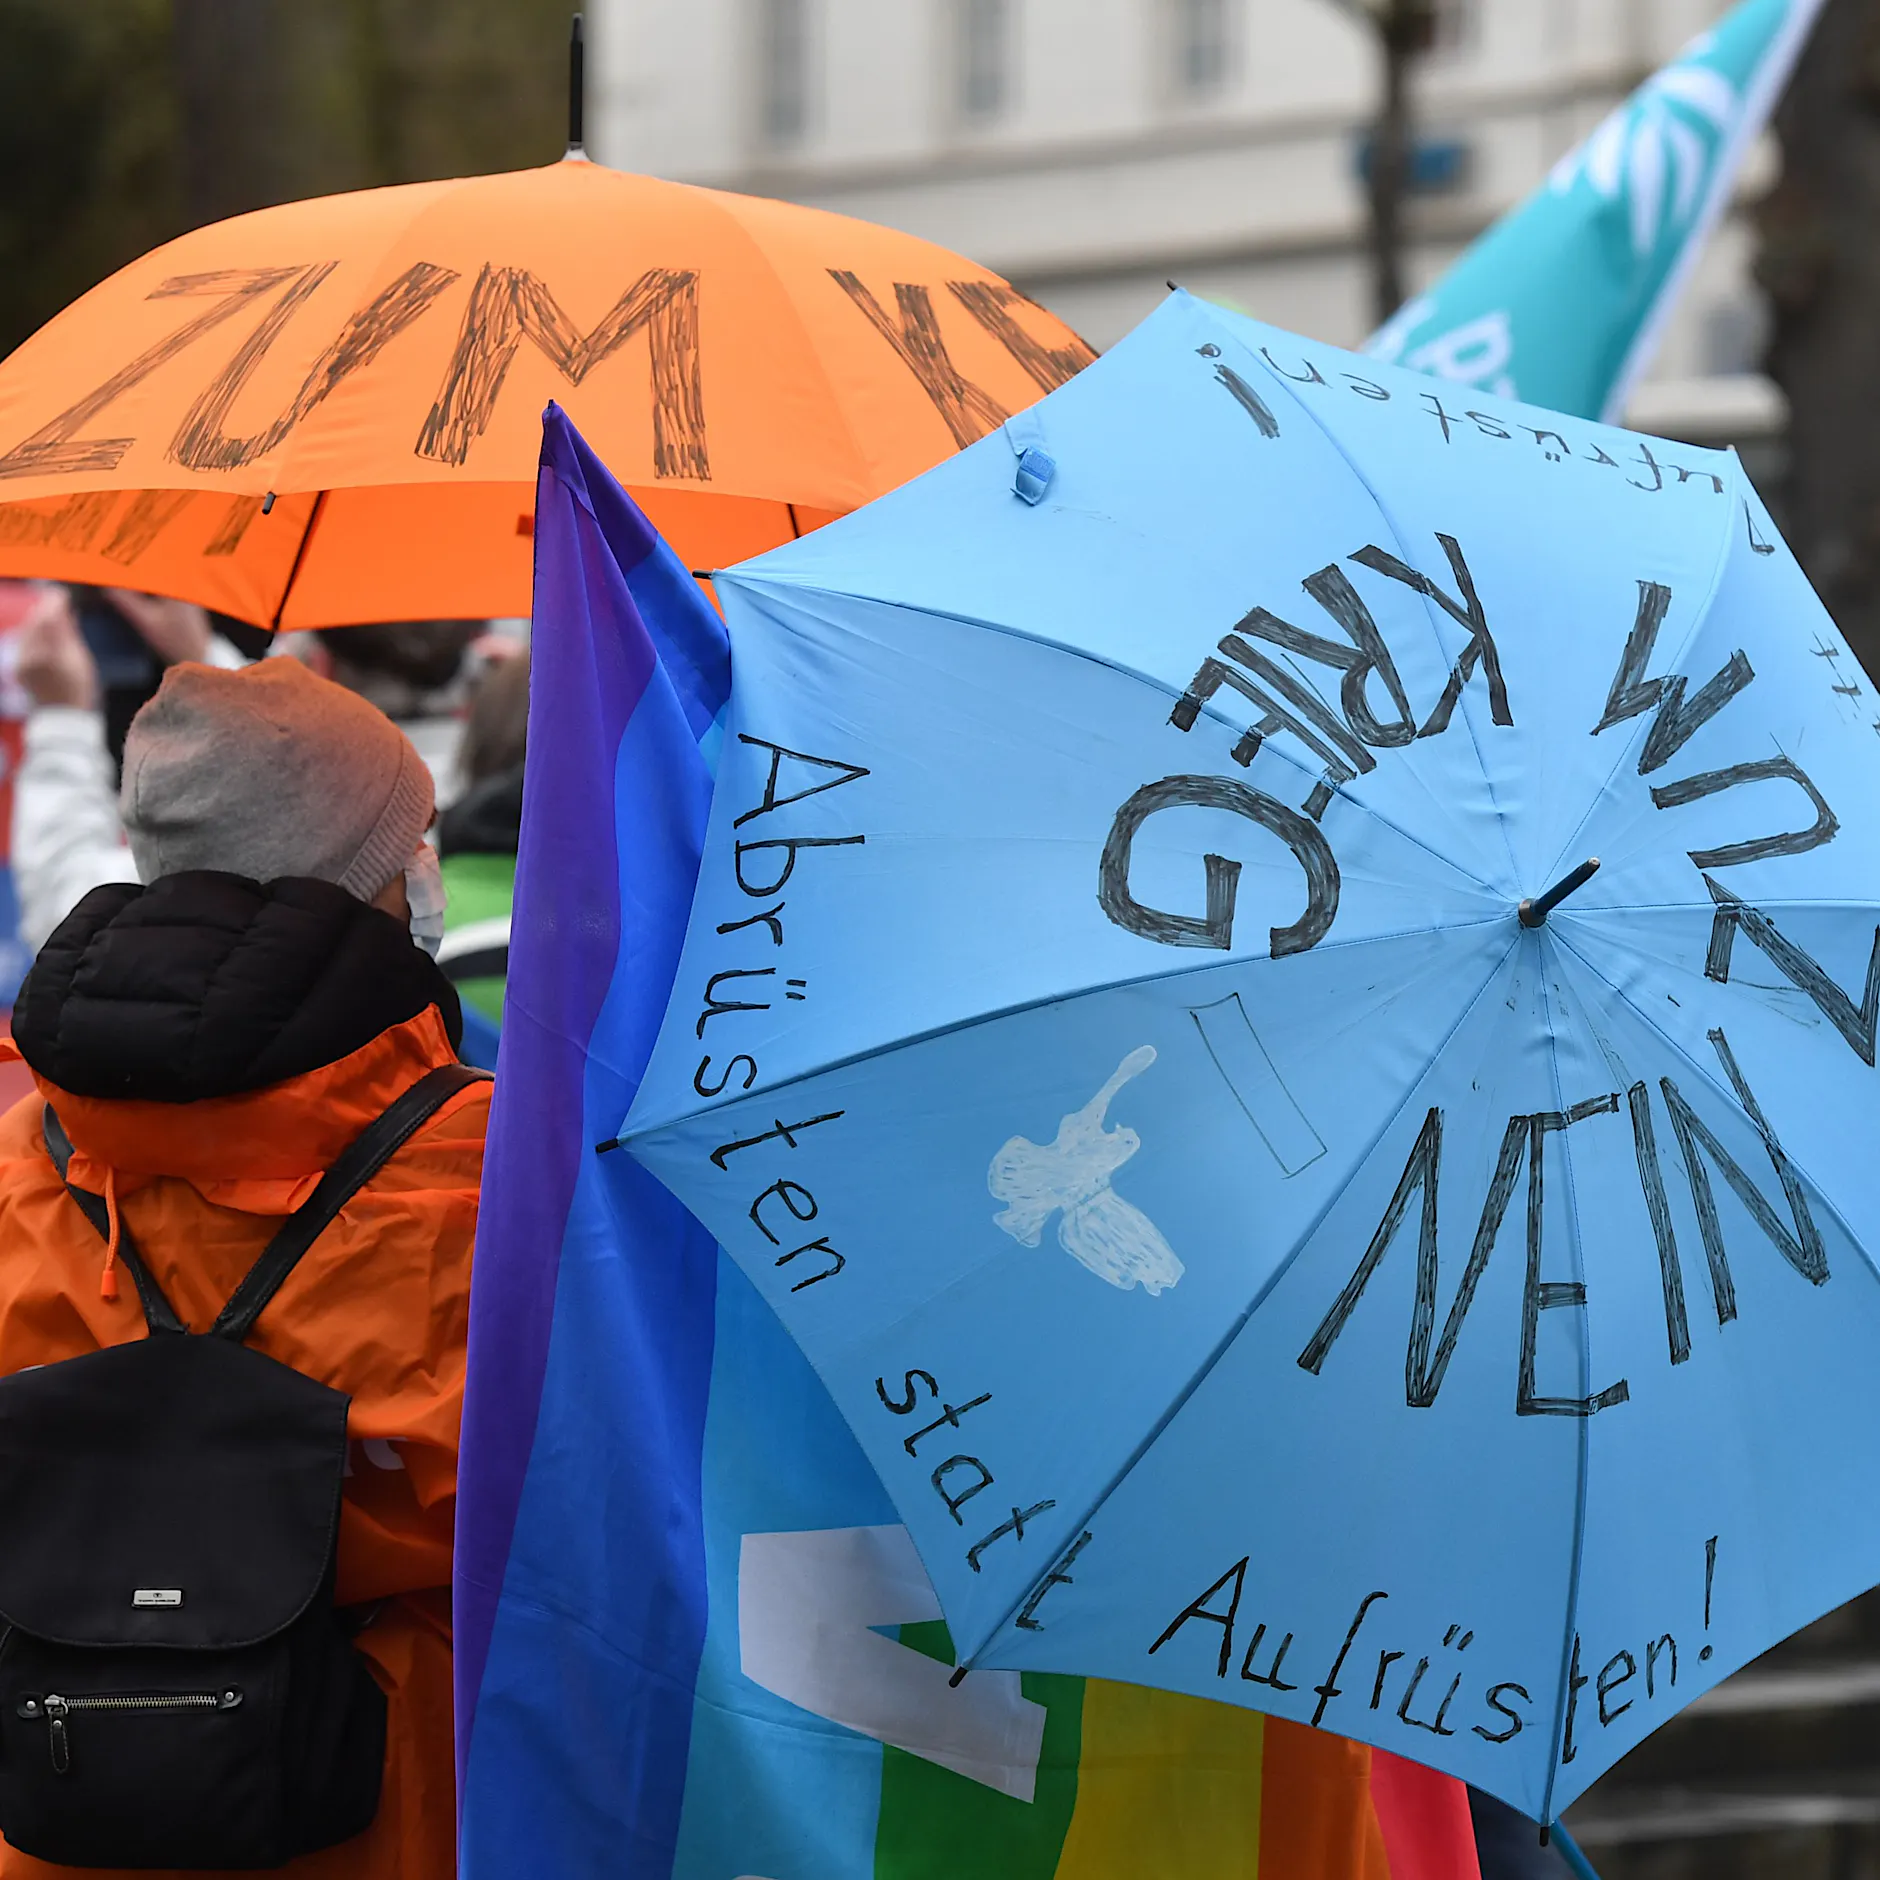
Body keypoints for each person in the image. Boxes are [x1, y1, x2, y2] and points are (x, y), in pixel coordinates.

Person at [0, 656, 487, 1879]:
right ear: (378, 870)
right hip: (392, 1800)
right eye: (410, 836)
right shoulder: (494, 1163)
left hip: (67, 1803)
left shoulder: (22, 1151)